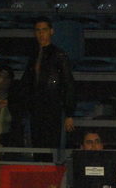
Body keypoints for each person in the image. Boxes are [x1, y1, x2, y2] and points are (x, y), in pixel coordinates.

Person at [16, 17, 76, 150]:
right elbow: (27, 82)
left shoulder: (59, 55)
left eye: (44, 30)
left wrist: (69, 113)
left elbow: (68, 83)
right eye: (38, 30)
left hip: (53, 108)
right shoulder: (34, 55)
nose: (41, 34)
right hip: (36, 108)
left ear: (51, 31)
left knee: (52, 146)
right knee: (38, 145)